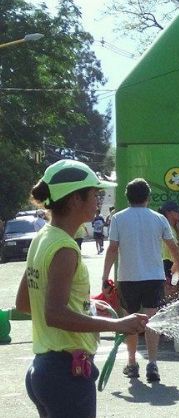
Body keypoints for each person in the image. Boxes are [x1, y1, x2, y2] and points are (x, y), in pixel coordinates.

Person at [15, 159, 147, 417]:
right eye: (94, 194)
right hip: (66, 374)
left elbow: (25, 302)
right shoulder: (65, 248)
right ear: (75, 199)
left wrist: (84, 304)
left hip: (45, 370)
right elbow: (54, 314)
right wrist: (118, 325)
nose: (98, 201)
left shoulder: (43, 237)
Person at [102, 178, 179, 383]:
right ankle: (152, 363)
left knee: (130, 320)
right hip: (153, 277)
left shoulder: (118, 219)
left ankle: (131, 363)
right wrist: (177, 266)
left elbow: (112, 249)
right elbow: (173, 246)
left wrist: (105, 277)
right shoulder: (158, 219)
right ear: (148, 197)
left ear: (127, 197)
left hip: (128, 277)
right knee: (151, 320)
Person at [159, 201, 179, 303]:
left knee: (175, 297)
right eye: (177, 211)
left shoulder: (173, 229)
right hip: (169, 265)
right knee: (171, 298)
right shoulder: (168, 229)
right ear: (169, 213)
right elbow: (177, 250)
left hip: (174, 265)